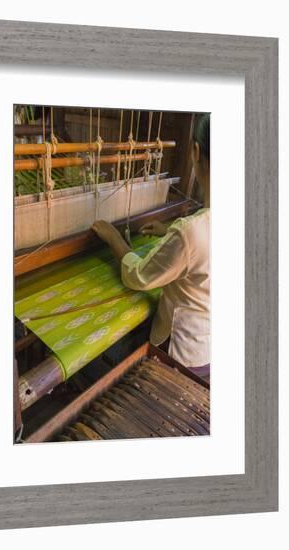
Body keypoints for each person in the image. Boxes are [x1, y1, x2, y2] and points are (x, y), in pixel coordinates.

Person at [91, 113, 210, 381]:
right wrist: (169, 230)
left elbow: (139, 276)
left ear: (196, 152)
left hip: (178, 359)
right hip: (208, 351)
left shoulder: (189, 232)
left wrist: (113, 237)